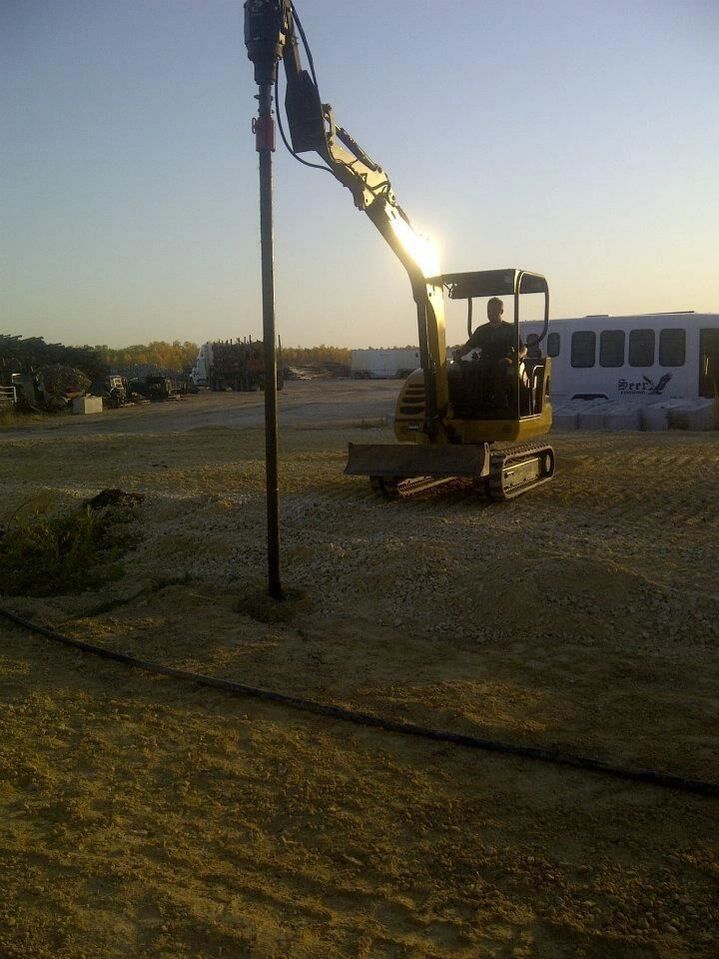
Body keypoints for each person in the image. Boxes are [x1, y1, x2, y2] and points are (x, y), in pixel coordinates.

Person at [453, 297, 526, 408]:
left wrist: (518, 356)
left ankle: (500, 402)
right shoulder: (482, 330)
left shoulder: (510, 329)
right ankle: (474, 403)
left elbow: (522, 349)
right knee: (470, 368)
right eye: (489, 311)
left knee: (500, 366)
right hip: (486, 360)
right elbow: (469, 346)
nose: (490, 313)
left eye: (493, 311)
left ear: (501, 311)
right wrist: (459, 354)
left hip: (505, 359)